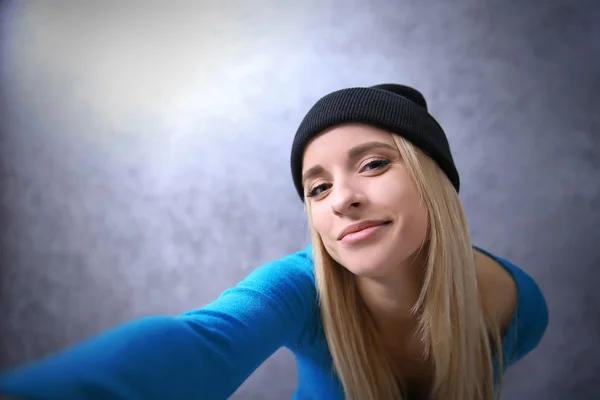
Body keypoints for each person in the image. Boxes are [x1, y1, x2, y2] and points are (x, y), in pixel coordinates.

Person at [0, 83, 549, 400]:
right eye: (318, 187)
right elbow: (196, 345)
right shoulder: (297, 288)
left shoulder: (520, 308)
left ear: (437, 183)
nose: (342, 199)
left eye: (376, 164)